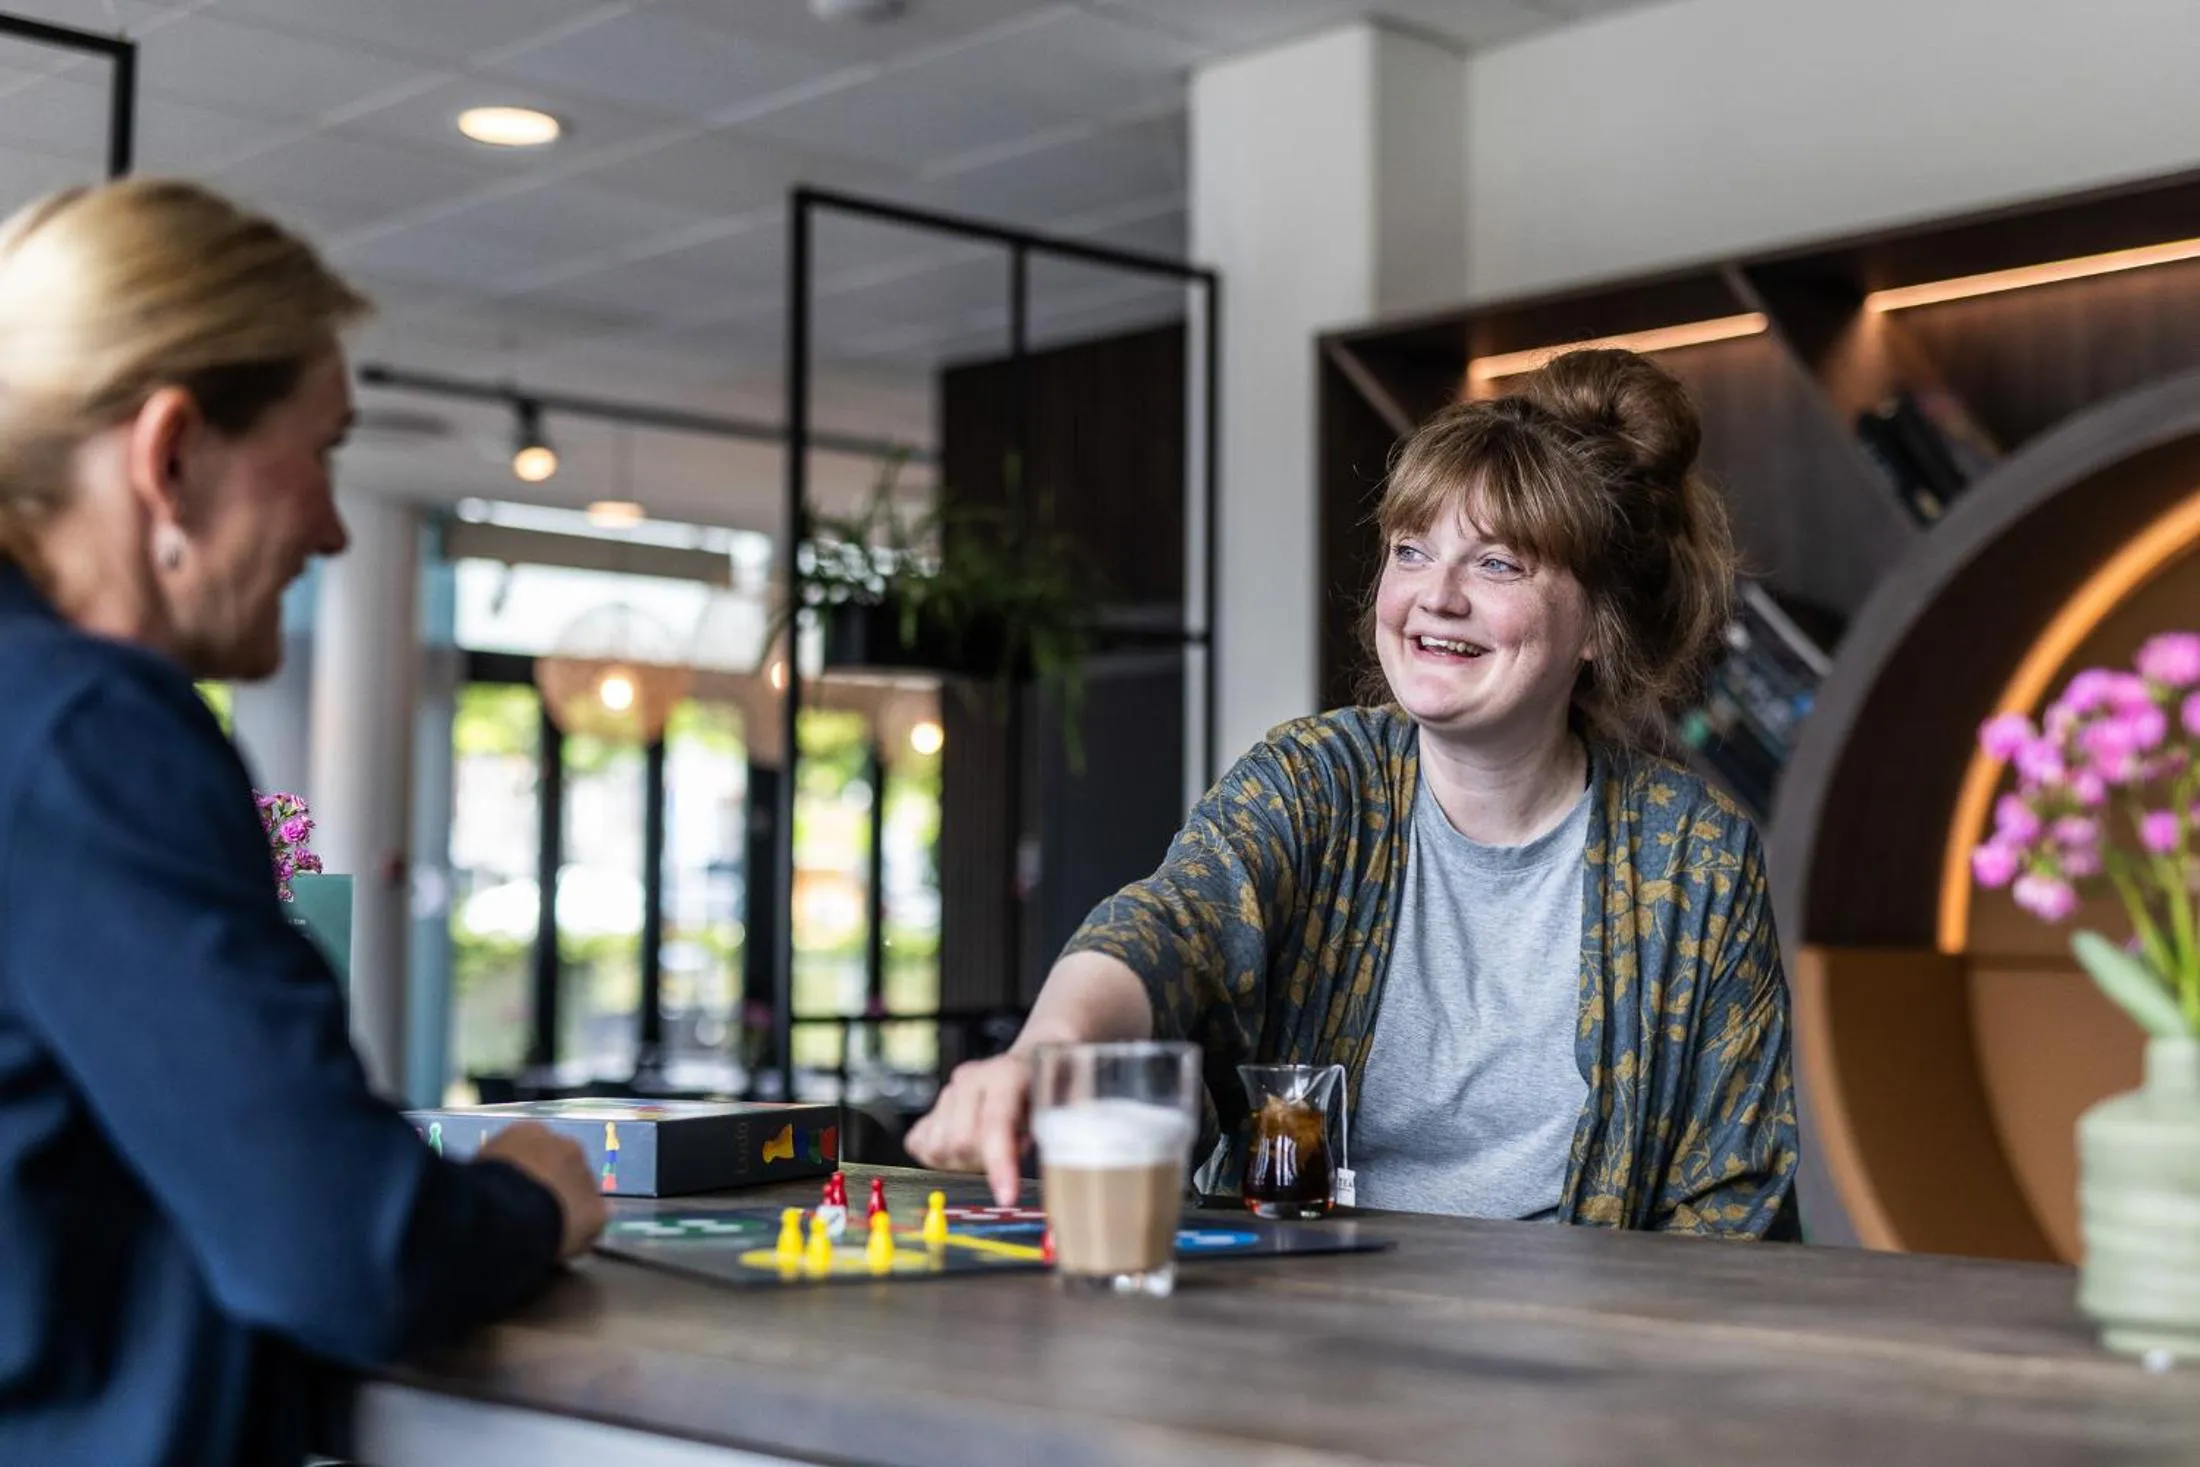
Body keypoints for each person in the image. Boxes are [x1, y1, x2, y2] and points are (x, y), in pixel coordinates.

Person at [908, 348, 1798, 1237]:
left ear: (1598, 625)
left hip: (1577, 1350)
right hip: (1304, 1325)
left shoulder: (1696, 858)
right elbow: (1171, 925)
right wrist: (1044, 1051)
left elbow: (1734, 1204)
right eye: (1412, 551)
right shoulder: (1316, 781)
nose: (1435, 597)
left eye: (1496, 565)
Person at [0, 180, 607, 1465]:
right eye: (323, 451)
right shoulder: (88, 733)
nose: (334, 525)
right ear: (171, 458)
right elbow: (350, 1250)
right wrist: (530, 1197)